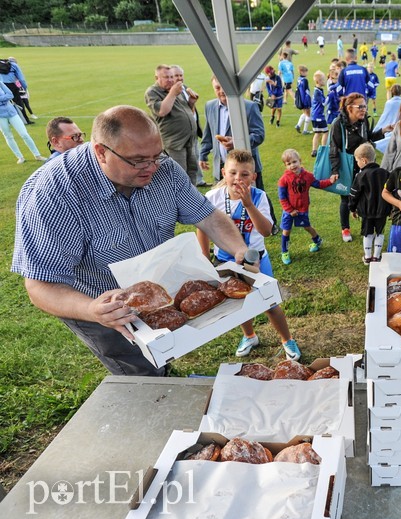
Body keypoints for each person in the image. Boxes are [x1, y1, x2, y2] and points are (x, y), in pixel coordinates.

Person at [11, 105, 251, 376]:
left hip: (155, 287)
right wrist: (92, 309)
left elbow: (207, 216)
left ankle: (163, 374)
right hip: (98, 302)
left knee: (162, 350)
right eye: (138, 161)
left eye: (156, 156)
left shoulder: (163, 169)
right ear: (101, 152)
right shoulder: (53, 195)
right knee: (139, 370)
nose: (152, 168)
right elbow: (41, 285)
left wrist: (240, 249)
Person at [197, 150, 301, 360]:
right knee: (238, 305)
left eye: (245, 174)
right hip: (226, 261)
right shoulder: (212, 197)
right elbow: (202, 227)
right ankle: (249, 335)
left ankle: (287, 339)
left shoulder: (259, 196)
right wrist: (205, 258)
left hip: (256, 260)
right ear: (224, 172)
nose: (238, 179)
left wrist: (249, 205)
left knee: (270, 304)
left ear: (253, 177)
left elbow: (265, 231)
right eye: (233, 173)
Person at [329, 93, 391, 242]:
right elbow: (334, 148)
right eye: (360, 106)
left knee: (364, 194)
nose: (364, 109)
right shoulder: (338, 124)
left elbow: (367, 137)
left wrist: (383, 131)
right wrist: (335, 170)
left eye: (365, 106)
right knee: (346, 198)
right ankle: (345, 228)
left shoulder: (364, 121)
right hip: (346, 165)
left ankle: (367, 226)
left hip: (364, 165)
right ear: (349, 108)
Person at [199, 77, 266, 190]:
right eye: (217, 88)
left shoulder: (249, 107)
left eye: (224, 87)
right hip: (221, 168)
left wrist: (236, 142)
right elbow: (209, 133)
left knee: (252, 203)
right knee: (222, 205)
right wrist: (203, 155)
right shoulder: (210, 106)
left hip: (246, 169)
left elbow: (259, 135)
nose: (221, 91)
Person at [277, 148, 337, 265]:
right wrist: (290, 210)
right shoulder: (283, 180)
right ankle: (284, 251)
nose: (292, 165)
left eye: (294, 162)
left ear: (300, 161)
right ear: (285, 166)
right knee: (286, 231)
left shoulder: (308, 176)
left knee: (307, 227)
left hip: (302, 209)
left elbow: (318, 184)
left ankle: (317, 240)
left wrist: (330, 181)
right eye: (288, 164)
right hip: (289, 211)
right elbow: (282, 197)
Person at [145, 64, 199, 178]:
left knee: (192, 170)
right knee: (179, 174)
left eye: (171, 77)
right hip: (175, 142)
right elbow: (162, 111)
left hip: (189, 140)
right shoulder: (153, 92)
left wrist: (191, 103)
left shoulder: (174, 90)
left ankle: (192, 195)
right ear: (157, 78)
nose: (170, 80)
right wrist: (173, 93)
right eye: (166, 77)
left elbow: (186, 111)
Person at [349, 143, 391, 264]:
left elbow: (354, 194)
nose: (357, 164)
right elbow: (391, 192)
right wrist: (391, 209)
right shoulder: (385, 173)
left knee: (367, 233)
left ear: (364, 160)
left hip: (366, 212)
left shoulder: (360, 175)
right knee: (380, 232)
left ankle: (367, 257)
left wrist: (352, 208)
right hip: (383, 211)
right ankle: (376, 257)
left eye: (357, 161)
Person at [0, 83, 46, 164]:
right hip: (1, 117)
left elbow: (10, 95)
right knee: (8, 136)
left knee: (24, 134)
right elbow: (7, 96)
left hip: (12, 113)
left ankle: (37, 155)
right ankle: (20, 157)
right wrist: (4, 98)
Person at [1, 56, 33, 124]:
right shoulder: (14, 65)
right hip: (11, 85)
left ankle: (6, 121)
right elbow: (21, 79)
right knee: (19, 103)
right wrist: (24, 87)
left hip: (1, 86)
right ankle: (25, 120)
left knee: (4, 103)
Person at [310, 70, 328, 158]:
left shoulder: (317, 90)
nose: (325, 81)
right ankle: (324, 149)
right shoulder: (318, 91)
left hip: (314, 115)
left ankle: (314, 150)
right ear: (319, 81)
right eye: (323, 80)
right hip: (318, 116)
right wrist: (330, 96)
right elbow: (324, 103)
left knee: (317, 133)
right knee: (325, 132)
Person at [294, 65, 312, 135]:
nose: (307, 73)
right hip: (305, 99)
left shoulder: (299, 79)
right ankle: (305, 130)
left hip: (300, 99)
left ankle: (298, 125)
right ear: (302, 72)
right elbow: (305, 91)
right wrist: (306, 101)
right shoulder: (305, 80)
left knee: (304, 113)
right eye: (306, 72)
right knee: (308, 114)